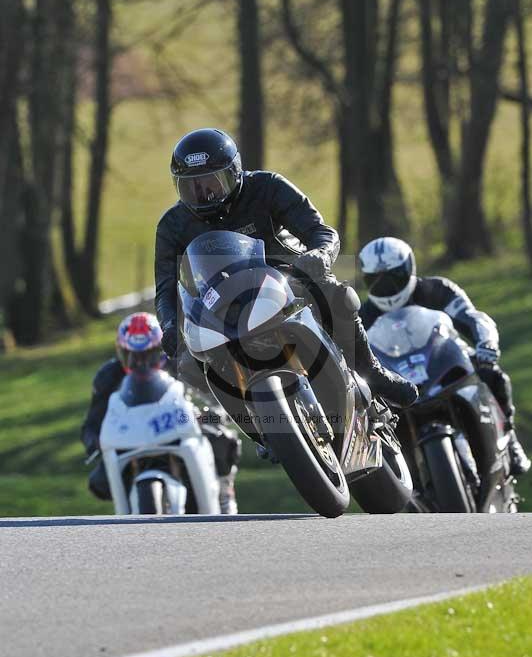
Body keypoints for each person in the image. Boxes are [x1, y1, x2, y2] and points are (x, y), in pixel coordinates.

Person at [154, 127, 418, 412]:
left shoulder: (267, 187)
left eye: (212, 183)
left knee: (335, 294)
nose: (203, 195)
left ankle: (371, 371)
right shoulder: (172, 225)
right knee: (188, 360)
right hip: (222, 304)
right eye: (190, 187)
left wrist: (320, 256)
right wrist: (169, 325)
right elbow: (165, 289)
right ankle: (248, 420)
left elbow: (321, 231)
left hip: (287, 280)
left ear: (235, 172)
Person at [358, 236, 530, 477]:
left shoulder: (437, 289)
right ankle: (401, 477)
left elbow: (473, 317)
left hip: (444, 358)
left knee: (493, 375)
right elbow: (353, 354)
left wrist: (486, 342)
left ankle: (509, 439)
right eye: (376, 280)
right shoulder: (363, 315)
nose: (386, 287)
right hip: (397, 378)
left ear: (409, 269)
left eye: (394, 277)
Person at [80, 312, 241, 513]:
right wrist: (94, 441)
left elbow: (212, 393)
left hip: (176, 426)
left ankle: (224, 494)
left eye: (148, 354)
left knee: (222, 439)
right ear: (121, 352)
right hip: (129, 439)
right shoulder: (108, 377)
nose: (140, 363)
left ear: (161, 349)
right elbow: (91, 423)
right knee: (99, 481)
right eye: (132, 355)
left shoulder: (179, 363)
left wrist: (214, 411)